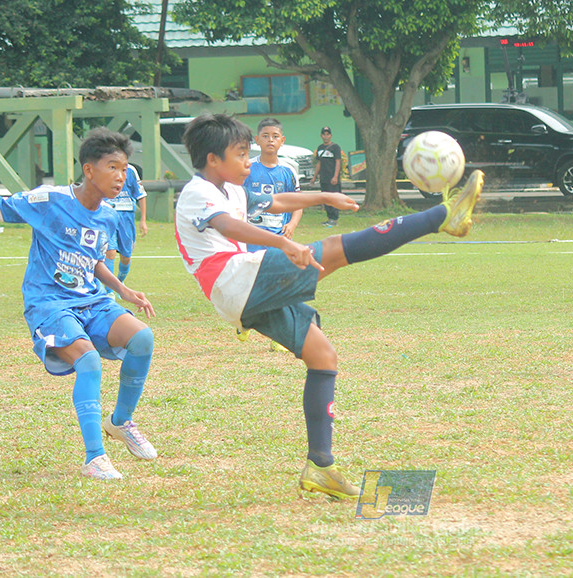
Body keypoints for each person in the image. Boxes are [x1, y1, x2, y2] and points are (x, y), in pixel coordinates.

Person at [174, 113, 484, 500]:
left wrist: (323, 196)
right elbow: (227, 227)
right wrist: (283, 243)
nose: (248, 162)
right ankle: (441, 217)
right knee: (336, 249)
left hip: (243, 288)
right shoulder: (196, 192)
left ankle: (320, 467)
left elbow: (276, 202)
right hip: (235, 280)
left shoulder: (233, 188)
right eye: (240, 155)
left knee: (324, 357)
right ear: (212, 159)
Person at [0, 128, 159, 480]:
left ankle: (121, 422)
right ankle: (94, 457)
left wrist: (123, 290)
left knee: (142, 338)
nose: (121, 177)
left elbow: (92, 260)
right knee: (89, 361)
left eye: (125, 169)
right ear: (89, 170)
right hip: (49, 303)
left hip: (91, 300)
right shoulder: (49, 200)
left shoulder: (108, 216)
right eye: (113, 167)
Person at [246, 117, 302, 246]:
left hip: (280, 236)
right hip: (251, 236)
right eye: (265, 136)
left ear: (282, 140)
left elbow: (297, 203)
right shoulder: (247, 168)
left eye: (275, 136)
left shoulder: (288, 171)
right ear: (257, 140)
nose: (270, 140)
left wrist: (292, 225)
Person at [104, 163, 147, 284]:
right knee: (110, 252)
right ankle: (109, 290)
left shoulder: (131, 170)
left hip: (126, 216)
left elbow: (141, 195)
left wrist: (143, 220)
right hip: (108, 215)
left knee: (126, 256)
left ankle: (120, 282)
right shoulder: (102, 167)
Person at [312, 126, 342, 227]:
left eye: (327, 134)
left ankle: (334, 219)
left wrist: (335, 177)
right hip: (323, 178)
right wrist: (315, 176)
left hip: (332, 178)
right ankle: (329, 218)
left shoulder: (335, 147)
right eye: (324, 134)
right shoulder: (320, 148)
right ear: (321, 136)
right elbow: (319, 163)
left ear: (330, 135)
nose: (326, 136)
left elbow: (338, 162)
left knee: (333, 198)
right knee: (325, 199)